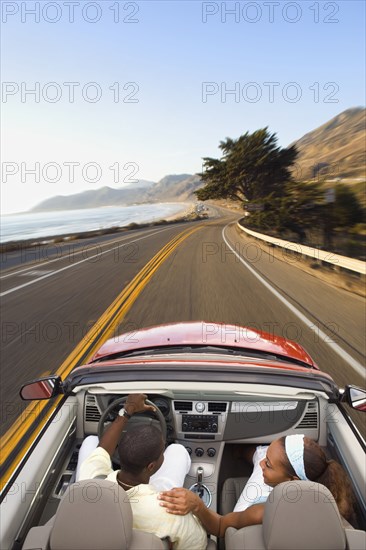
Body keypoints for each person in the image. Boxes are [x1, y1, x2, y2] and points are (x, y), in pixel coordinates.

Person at [158, 434, 355, 537]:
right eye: (266, 456)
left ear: (293, 481)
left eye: (268, 464)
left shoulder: (261, 512)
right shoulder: (336, 515)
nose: (262, 464)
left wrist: (197, 505)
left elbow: (219, 526)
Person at [78, 393, 207, 550]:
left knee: (90, 441)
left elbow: (103, 449)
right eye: (162, 452)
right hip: (152, 506)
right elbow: (199, 543)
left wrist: (127, 411)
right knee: (177, 450)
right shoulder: (171, 512)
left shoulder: (89, 480)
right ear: (151, 466)